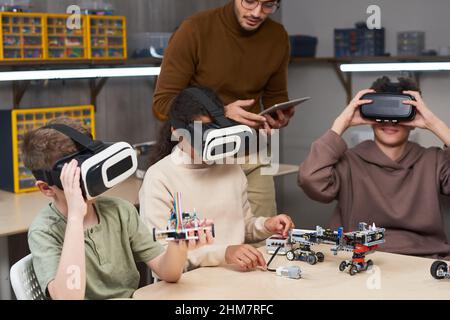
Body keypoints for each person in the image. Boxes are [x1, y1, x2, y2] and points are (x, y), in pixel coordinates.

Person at [24, 117, 212, 300]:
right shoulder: (44, 231)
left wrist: (178, 245)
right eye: (75, 177)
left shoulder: (121, 212)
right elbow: (69, 297)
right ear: (46, 188)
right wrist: (75, 217)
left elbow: (168, 273)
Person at [152, 0, 294, 218]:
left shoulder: (277, 36)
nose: (257, 12)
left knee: (265, 238)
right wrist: (220, 112)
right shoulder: (195, 29)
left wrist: (279, 116)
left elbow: (276, 96)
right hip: (203, 158)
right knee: (209, 242)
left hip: (252, 153)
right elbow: (162, 105)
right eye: (250, 1)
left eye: (268, 5)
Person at [140, 86, 295, 271]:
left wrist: (266, 225)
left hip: (232, 278)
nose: (207, 143)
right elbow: (161, 253)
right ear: (176, 132)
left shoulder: (230, 167)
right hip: (187, 284)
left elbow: (240, 225)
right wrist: (225, 253)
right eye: (200, 135)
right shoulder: (159, 178)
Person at [298, 76, 450, 259]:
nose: (389, 121)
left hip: (424, 260)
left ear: (414, 116)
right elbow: (310, 180)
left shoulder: (433, 160)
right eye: (381, 112)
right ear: (368, 116)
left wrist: (435, 124)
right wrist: (342, 122)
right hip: (360, 256)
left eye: (397, 112)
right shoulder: (349, 162)